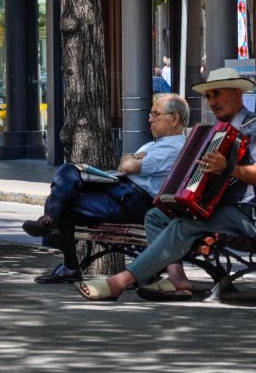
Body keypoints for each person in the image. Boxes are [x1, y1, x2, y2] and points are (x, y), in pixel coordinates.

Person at [76, 67, 256, 301]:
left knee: (183, 225)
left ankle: (120, 282)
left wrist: (228, 169)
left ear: (236, 93)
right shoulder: (216, 130)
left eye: (218, 94)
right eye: (209, 96)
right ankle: (177, 279)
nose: (212, 101)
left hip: (251, 214)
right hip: (221, 208)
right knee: (156, 215)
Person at [22, 93, 189, 284]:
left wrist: (133, 159)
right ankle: (53, 225)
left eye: (155, 114)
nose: (149, 119)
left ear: (174, 119)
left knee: (64, 196)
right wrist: (133, 159)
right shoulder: (155, 145)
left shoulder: (173, 148)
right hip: (123, 193)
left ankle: (57, 238)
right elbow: (125, 163)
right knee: (67, 176)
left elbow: (127, 165)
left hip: (134, 200)